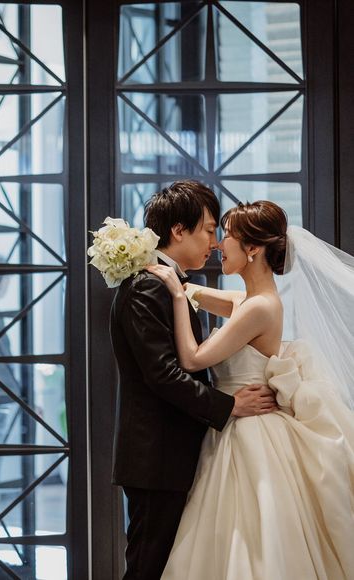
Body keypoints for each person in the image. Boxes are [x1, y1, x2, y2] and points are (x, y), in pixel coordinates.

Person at [148, 200, 354, 579]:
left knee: (249, 537)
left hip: (250, 431)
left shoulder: (260, 308)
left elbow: (192, 359)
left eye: (226, 236)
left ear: (253, 248)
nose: (218, 245)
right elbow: (196, 291)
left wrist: (176, 296)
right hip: (235, 424)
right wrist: (163, 271)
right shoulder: (248, 301)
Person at [109, 181, 277, 580]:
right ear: (178, 230)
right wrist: (231, 405)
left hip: (178, 454)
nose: (215, 243)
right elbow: (163, 374)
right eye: (209, 230)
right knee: (149, 567)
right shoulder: (148, 286)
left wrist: (184, 291)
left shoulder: (170, 283)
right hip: (157, 458)